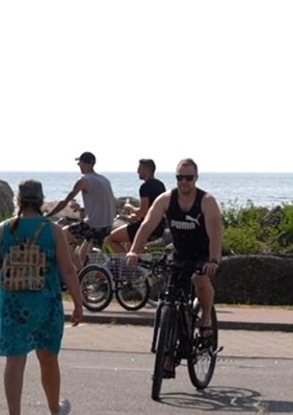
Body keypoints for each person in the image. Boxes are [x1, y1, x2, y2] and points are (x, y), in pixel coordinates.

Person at [0, 180, 88, 415]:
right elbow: (68, 270)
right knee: (48, 357)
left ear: (17, 199)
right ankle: (54, 410)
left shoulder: (3, 229)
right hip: (45, 302)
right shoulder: (52, 230)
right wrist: (79, 303)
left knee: (15, 360)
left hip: (13, 304)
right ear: (41, 200)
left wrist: (3, 295)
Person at [124, 157, 224, 377]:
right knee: (171, 299)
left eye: (189, 178)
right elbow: (147, 225)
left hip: (202, 255)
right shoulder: (166, 199)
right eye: (180, 177)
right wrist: (134, 250)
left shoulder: (206, 201)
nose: (184, 182)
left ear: (196, 178)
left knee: (200, 280)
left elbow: (216, 235)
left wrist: (214, 260)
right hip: (179, 255)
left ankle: (206, 319)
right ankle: (168, 356)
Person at [47, 151, 116, 264]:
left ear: (85, 163)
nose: (79, 166)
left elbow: (65, 201)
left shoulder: (83, 180)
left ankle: (71, 268)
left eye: (79, 163)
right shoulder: (104, 179)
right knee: (82, 256)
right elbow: (101, 203)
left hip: (93, 225)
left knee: (60, 236)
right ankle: (82, 274)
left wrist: (48, 215)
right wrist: (81, 209)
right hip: (107, 226)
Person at [107, 157, 168, 252]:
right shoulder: (160, 185)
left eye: (139, 169)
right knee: (129, 242)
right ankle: (136, 262)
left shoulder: (145, 187)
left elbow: (143, 212)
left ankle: (128, 265)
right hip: (160, 226)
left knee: (111, 239)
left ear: (146, 170)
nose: (137, 171)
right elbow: (151, 210)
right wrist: (135, 216)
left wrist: (130, 207)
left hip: (147, 227)